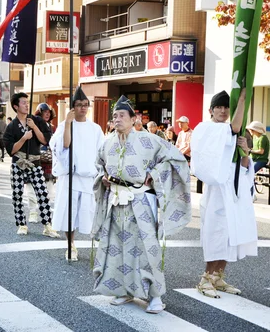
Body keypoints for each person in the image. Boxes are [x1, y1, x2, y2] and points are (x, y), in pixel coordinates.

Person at [91, 95, 191, 314]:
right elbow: (99, 167)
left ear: (133, 118)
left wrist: (154, 173)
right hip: (116, 201)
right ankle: (123, 290)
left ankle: (155, 296)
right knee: (117, 247)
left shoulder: (149, 140)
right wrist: (103, 178)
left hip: (141, 200)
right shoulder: (107, 143)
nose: (117, 119)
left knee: (147, 248)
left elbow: (175, 159)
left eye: (121, 115)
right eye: (114, 116)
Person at [191, 90, 257, 298]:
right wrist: (243, 100)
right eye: (218, 107)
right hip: (217, 189)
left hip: (234, 188)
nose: (222, 110)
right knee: (215, 232)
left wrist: (245, 151)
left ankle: (218, 276)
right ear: (210, 110)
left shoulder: (232, 132)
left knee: (230, 233)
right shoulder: (205, 128)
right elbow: (234, 128)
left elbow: (244, 166)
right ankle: (206, 278)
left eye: (226, 107)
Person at [51, 87, 104, 261]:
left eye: (85, 105)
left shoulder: (95, 128)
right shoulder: (64, 126)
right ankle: (70, 245)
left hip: (88, 177)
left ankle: (94, 246)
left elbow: (101, 152)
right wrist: (67, 123)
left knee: (87, 212)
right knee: (69, 212)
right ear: (73, 107)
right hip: (70, 177)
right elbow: (64, 146)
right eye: (79, 105)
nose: (83, 108)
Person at [3, 93, 59, 238]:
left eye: (27, 102)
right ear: (16, 106)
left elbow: (45, 140)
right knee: (17, 194)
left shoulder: (37, 121)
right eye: (23, 103)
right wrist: (23, 138)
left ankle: (47, 225)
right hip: (18, 164)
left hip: (35, 163)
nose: (27, 105)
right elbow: (11, 150)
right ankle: (22, 224)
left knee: (42, 194)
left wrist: (34, 127)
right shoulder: (11, 127)